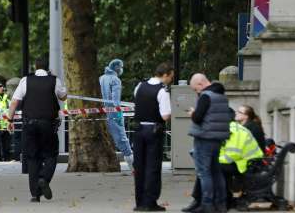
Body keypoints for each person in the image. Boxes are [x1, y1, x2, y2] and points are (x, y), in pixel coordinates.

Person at [7, 56, 67, 203]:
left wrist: (10, 119)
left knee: (33, 158)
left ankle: (35, 194)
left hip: (30, 124)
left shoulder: (25, 80)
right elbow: (63, 97)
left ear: (35, 67)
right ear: (47, 68)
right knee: (51, 155)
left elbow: (15, 101)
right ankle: (44, 179)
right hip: (48, 124)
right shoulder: (54, 80)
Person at [183, 113, 264, 212]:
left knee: (209, 168)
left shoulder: (236, 132)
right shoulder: (226, 129)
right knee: (206, 167)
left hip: (248, 165)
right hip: (239, 162)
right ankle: (202, 201)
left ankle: (201, 201)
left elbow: (233, 155)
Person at [132, 62, 173, 212]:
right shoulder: (162, 91)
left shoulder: (140, 86)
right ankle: (150, 202)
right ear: (165, 75)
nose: (171, 80)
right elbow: (165, 115)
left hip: (138, 130)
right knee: (152, 167)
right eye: (171, 76)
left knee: (139, 166)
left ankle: (140, 202)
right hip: (154, 131)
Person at [187, 74, 231, 213]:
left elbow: (198, 118)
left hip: (204, 138)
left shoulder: (206, 96)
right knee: (216, 172)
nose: (197, 92)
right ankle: (221, 203)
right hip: (218, 139)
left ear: (200, 84)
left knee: (204, 173)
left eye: (195, 89)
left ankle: (207, 204)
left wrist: (192, 113)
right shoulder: (222, 96)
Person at [99, 59, 134, 170]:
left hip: (104, 111)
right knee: (121, 137)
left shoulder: (102, 78)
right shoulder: (115, 80)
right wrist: (118, 112)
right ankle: (132, 164)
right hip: (113, 112)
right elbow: (115, 100)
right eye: (121, 67)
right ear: (117, 68)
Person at [0, 82, 11, 161]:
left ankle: (7, 159)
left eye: (1, 87)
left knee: (7, 145)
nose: (1, 88)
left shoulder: (6, 99)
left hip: (6, 125)